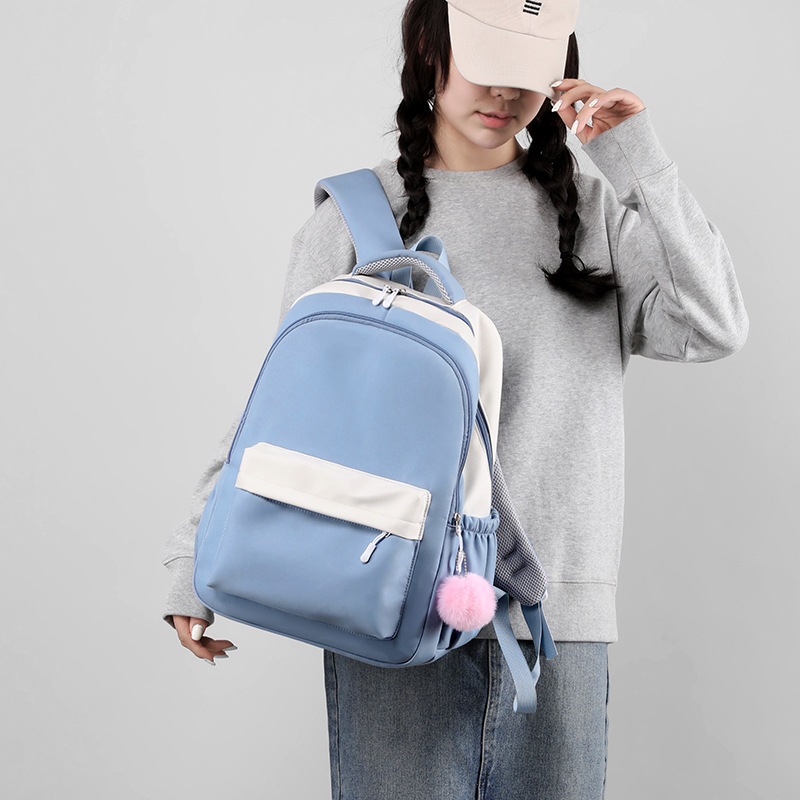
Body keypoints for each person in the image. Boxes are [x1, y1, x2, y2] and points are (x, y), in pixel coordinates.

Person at [161, 1, 749, 797]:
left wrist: (636, 159)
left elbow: (714, 325)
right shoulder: (356, 218)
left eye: (526, 71)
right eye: (485, 63)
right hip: (385, 596)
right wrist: (195, 563)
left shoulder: (594, 211)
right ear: (427, 49)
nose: (505, 91)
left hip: (556, 616)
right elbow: (278, 408)